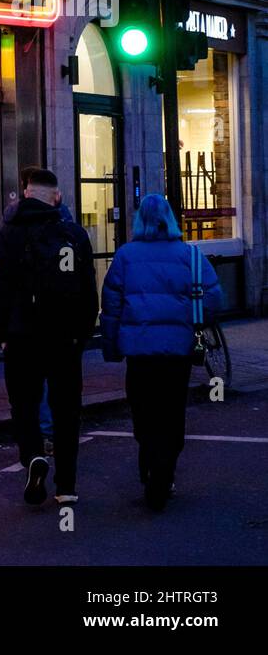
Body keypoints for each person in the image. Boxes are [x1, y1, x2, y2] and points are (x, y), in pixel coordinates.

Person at [101, 194, 222, 512]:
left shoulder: (125, 256)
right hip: (177, 352)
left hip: (140, 353)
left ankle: (149, 460)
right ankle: (163, 471)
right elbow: (212, 299)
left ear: (139, 220)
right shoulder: (190, 256)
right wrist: (194, 324)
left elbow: (111, 307)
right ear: (170, 219)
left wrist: (112, 347)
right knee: (172, 411)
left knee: (143, 410)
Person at [0, 168, 97, 506]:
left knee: (24, 403)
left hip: (22, 335)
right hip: (64, 337)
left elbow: (1, 287)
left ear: (25, 194)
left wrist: (1, 332)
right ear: (57, 197)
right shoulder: (75, 234)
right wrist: (82, 335)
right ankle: (66, 486)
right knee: (66, 411)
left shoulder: (9, 233)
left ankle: (34, 455)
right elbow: (87, 291)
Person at [2, 165, 73, 457]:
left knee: (23, 390)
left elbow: (2, 282)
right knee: (51, 383)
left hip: (21, 322)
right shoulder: (65, 224)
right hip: (56, 320)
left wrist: (2, 329)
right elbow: (79, 283)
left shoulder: (12, 223)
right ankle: (48, 437)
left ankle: (32, 446)